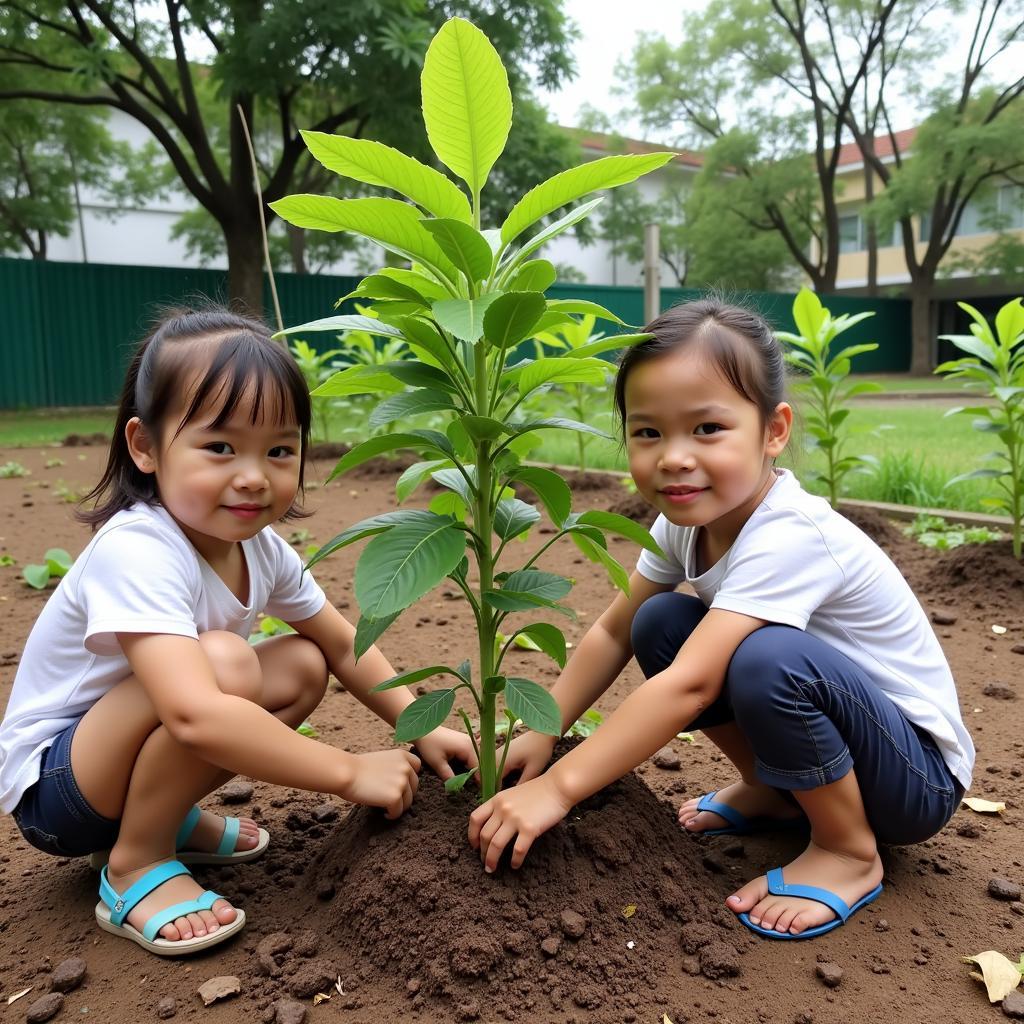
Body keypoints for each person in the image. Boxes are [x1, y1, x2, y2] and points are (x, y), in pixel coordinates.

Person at [468, 299, 974, 940]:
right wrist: (545, 728)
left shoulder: (790, 532)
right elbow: (614, 630)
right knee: (660, 620)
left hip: (915, 780)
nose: (674, 457)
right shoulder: (689, 522)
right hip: (846, 744)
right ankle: (772, 790)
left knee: (769, 660)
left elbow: (693, 685)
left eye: (708, 428)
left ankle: (848, 851)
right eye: (647, 432)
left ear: (774, 430)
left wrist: (559, 788)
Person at [0, 308, 475, 956]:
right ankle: (134, 860)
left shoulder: (262, 549)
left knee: (303, 662)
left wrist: (422, 725)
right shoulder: (139, 547)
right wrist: (345, 771)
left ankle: (160, 815)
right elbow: (194, 715)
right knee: (223, 665)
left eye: (279, 449)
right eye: (220, 447)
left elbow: (339, 645)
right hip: (58, 791)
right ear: (145, 446)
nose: (254, 475)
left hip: (117, 756)